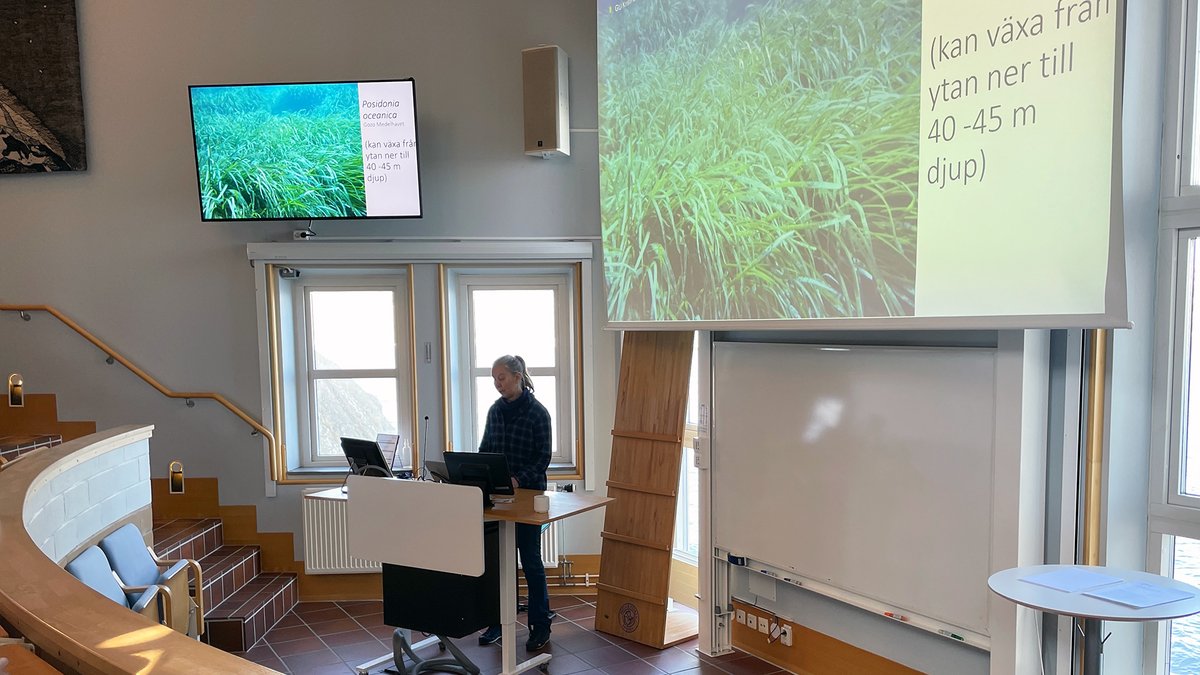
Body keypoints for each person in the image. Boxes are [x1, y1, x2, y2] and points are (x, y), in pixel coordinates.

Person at [476, 354, 554, 652]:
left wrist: (519, 479)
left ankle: (540, 625)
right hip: (498, 499)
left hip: (528, 496)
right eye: (494, 379)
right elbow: (485, 449)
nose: (498, 384)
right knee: (501, 562)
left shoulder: (538, 413)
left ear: (518, 376)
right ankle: (499, 621)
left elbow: (542, 458)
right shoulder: (495, 411)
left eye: (502, 378)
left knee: (530, 561)